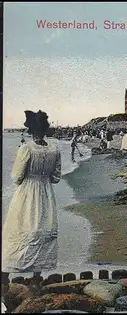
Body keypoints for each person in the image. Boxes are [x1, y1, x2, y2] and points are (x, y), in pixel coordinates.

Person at [2, 110, 62, 302]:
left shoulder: (26, 148)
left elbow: (16, 177)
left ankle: (5, 279)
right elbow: (56, 178)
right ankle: (36, 281)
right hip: (45, 194)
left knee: (18, 229)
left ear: (30, 130)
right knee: (42, 230)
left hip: (27, 193)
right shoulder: (54, 149)